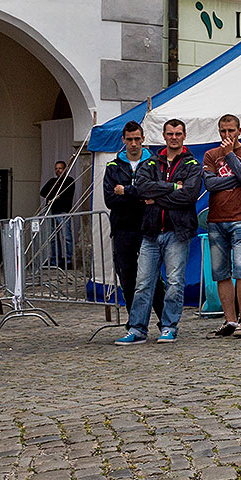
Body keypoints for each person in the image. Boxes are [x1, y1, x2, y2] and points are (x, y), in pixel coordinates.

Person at [114, 119, 201, 345]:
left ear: (184, 136)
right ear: (164, 136)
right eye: (170, 133)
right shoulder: (152, 162)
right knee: (142, 283)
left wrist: (157, 198)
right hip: (151, 232)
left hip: (177, 232)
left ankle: (169, 326)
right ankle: (137, 329)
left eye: (178, 133)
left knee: (174, 282)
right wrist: (173, 187)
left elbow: (190, 196)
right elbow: (142, 188)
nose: (174, 137)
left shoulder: (192, 164)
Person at [204, 113, 241, 338]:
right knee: (220, 273)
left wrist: (230, 156)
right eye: (223, 131)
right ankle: (229, 320)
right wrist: (238, 179)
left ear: (239, 130)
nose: (227, 135)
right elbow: (209, 184)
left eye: (231, 130)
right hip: (216, 219)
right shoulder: (210, 154)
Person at [103, 122, 164, 329]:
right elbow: (110, 200)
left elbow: (156, 193)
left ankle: (164, 320)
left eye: (137, 139)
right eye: (129, 139)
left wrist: (127, 191)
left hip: (149, 227)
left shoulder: (154, 163)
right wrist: (139, 196)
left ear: (143, 139)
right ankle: (136, 321)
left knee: (153, 277)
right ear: (123, 140)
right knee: (128, 277)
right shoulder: (113, 166)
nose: (134, 144)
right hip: (123, 228)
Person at [40, 160, 76, 267]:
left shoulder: (69, 180)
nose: (58, 170)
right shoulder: (52, 181)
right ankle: (56, 260)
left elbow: (65, 195)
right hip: (52, 211)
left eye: (60, 168)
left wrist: (55, 195)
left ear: (65, 169)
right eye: (56, 168)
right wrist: (54, 194)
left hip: (63, 211)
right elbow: (43, 192)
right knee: (53, 238)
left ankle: (68, 260)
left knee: (66, 237)